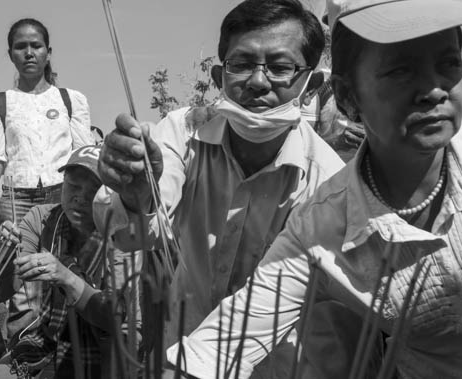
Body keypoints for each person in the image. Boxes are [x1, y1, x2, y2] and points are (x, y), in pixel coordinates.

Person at [166, 0, 462, 378]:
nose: (434, 90)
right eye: (401, 70)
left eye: (450, 64)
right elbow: (227, 341)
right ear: (347, 95)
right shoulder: (321, 227)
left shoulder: (319, 173)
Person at [96, 0, 344, 373]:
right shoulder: (183, 132)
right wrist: (135, 198)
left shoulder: (327, 180)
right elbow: (136, 234)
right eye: (241, 65)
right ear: (218, 78)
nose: (258, 82)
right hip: (177, 352)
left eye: (280, 67)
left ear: (312, 85)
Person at [0, 146, 139, 379]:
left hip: (110, 347)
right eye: (73, 186)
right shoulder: (42, 219)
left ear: (110, 194)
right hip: (48, 339)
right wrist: (5, 256)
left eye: (93, 190)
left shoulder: (121, 233)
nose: (79, 197)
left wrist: (66, 277)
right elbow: (0, 293)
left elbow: (114, 318)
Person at [0, 18, 95, 252]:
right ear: (11, 54)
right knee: (18, 274)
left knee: (62, 268)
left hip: (62, 197)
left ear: (48, 53)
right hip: (15, 202)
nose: (29, 53)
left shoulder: (71, 100)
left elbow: (82, 158)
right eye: (21, 47)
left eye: (36, 46)